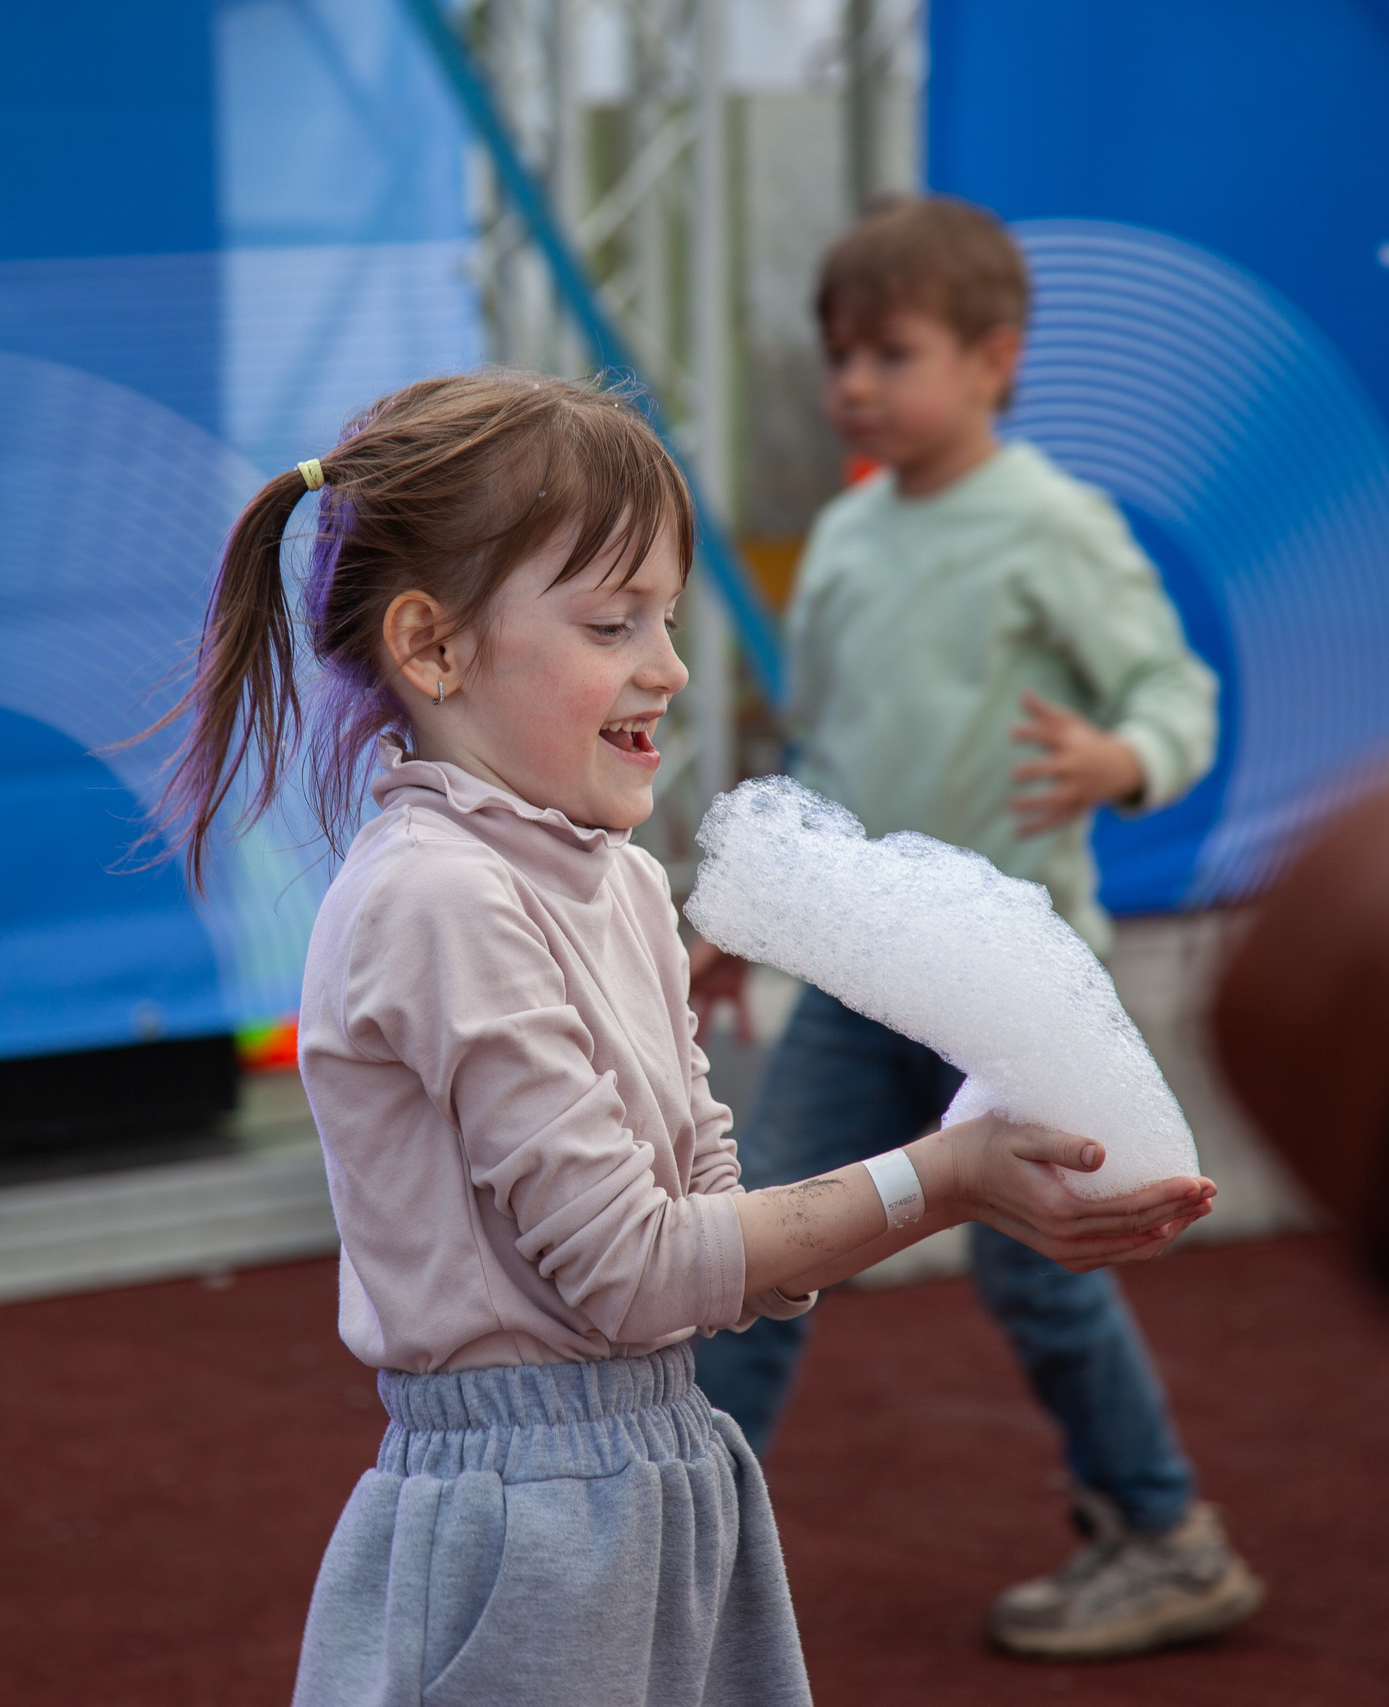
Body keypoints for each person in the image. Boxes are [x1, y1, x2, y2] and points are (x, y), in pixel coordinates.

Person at [153, 369, 1215, 1705]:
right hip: (519, 1529)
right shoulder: (436, 895)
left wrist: (957, 1174)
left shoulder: (622, 879)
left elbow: (718, 1242)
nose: (668, 665)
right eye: (611, 621)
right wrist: (944, 1180)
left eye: (666, 616)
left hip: (669, 1487)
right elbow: (639, 1275)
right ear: (431, 649)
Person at [690, 195, 1264, 1660]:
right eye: (839, 355)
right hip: (853, 987)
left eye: (891, 351)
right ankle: (672, 1535)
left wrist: (1119, 762)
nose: (854, 385)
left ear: (996, 358)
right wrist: (744, 922)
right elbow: (825, 760)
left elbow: (1175, 699)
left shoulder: (1054, 526)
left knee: (1041, 1272)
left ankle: (1166, 1536)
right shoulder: (841, 540)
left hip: (1012, 995)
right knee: (753, 1252)